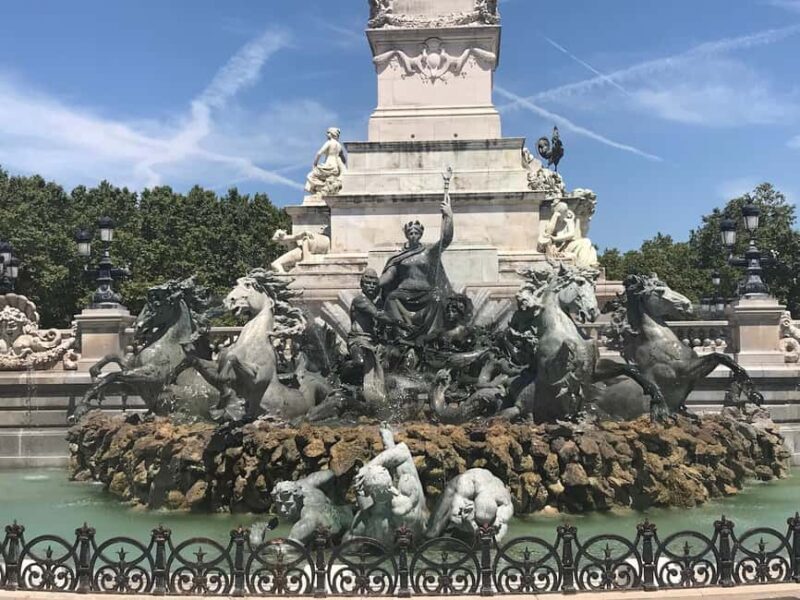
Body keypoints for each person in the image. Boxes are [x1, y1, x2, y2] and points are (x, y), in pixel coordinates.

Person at [379, 185, 454, 341]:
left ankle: (433, 336)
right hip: (403, 293)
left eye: (416, 232)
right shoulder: (400, 257)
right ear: (407, 235)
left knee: (438, 298)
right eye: (410, 233)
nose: (413, 235)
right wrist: (374, 283)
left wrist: (449, 216)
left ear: (420, 235)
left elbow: (446, 239)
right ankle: (401, 334)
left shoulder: (429, 252)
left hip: (425, 293)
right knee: (391, 298)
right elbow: (389, 276)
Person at [537, 200, 598, 268]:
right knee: (586, 243)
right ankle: (582, 267)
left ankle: (583, 266)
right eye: (563, 212)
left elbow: (571, 234)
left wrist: (555, 238)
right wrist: (555, 216)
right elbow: (547, 233)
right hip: (556, 249)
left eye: (565, 211)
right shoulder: (551, 222)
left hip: (566, 246)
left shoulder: (568, 221)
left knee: (586, 242)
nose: (565, 213)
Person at [305, 128, 347, 195]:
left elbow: (319, 153)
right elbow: (344, 160)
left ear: (333, 134)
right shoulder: (339, 146)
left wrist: (314, 164)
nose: (327, 134)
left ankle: (320, 189)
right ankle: (325, 188)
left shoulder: (329, 142)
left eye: (328, 133)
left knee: (310, 175)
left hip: (328, 166)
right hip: (336, 168)